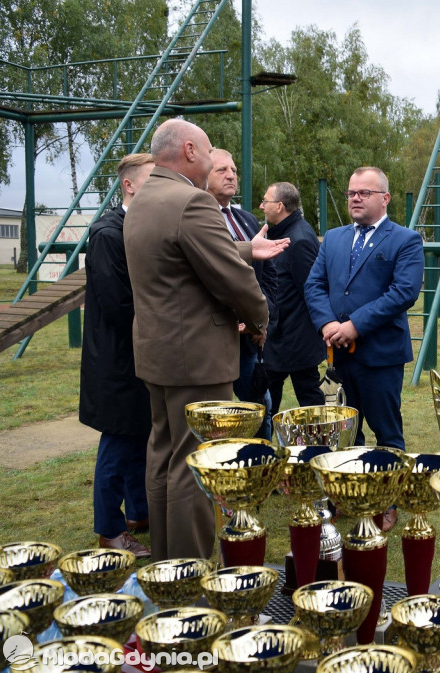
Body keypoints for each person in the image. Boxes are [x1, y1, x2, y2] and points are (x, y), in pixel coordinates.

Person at [124, 118, 287, 560]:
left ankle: (166, 562)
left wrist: (245, 248)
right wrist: (260, 320)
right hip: (195, 356)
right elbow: (233, 280)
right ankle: (190, 571)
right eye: (211, 150)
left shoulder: (143, 198)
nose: (217, 160)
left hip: (158, 354)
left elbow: (180, 254)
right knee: (196, 464)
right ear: (191, 151)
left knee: (162, 454)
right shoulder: (191, 202)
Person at [304, 166, 423, 451]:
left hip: (380, 357)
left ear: (385, 198)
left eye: (364, 193)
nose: (355, 198)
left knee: (388, 437)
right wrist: (328, 324)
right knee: (344, 436)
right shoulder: (333, 238)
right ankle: (346, 494)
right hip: (340, 358)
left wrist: (355, 326)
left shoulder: (405, 240)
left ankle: (390, 494)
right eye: (351, 193)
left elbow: (403, 292)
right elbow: (314, 285)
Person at [79, 152, 155, 560]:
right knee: (117, 442)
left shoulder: (135, 227)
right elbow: (117, 304)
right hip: (117, 360)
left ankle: (138, 513)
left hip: (136, 356)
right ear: (128, 185)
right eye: (150, 180)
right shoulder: (109, 233)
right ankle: (110, 530)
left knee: (138, 438)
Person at [207, 148, 277, 439]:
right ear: (202, 174)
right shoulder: (196, 218)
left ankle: (263, 470)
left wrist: (262, 319)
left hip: (250, 341)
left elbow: (269, 275)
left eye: (234, 170)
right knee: (215, 416)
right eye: (221, 170)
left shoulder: (247, 220)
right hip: (212, 339)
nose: (231, 175)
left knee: (261, 406)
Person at [258, 182, 326, 411]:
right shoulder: (286, 232)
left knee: (308, 402)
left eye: (265, 201)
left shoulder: (299, 240)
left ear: (279, 206)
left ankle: (319, 445)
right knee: (266, 399)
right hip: (281, 338)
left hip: (294, 340)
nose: (261, 206)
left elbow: (312, 290)